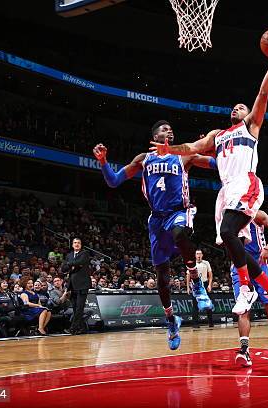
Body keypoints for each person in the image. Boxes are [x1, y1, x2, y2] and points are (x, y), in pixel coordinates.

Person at [149, 39, 268, 316]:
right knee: (229, 242)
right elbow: (193, 149)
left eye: (241, 107)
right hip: (225, 192)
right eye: (234, 107)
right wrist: (169, 149)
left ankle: (247, 288)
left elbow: (264, 93)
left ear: (249, 114)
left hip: (246, 183)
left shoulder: (251, 127)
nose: (236, 109)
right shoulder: (218, 135)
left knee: (227, 232)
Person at [93, 120, 215, 350]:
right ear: (154, 135)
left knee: (180, 233)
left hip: (179, 211)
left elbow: (215, 165)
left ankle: (196, 282)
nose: (169, 130)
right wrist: (103, 163)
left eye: (171, 128)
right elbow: (114, 181)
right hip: (156, 219)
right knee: (162, 277)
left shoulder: (184, 155)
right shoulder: (143, 159)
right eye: (164, 128)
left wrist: (213, 148)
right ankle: (171, 320)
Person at [231, 210, 268, 367]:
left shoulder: (256, 214)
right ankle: (244, 350)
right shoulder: (229, 218)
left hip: (260, 267)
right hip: (240, 268)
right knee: (243, 309)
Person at [61, 238, 91, 335]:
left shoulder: (84, 253)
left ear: (81, 244)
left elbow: (80, 262)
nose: (76, 244)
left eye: (78, 243)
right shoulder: (69, 255)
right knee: (75, 308)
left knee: (79, 308)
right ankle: (82, 328)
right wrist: (72, 265)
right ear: (72, 245)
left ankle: (73, 329)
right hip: (72, 285)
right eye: (75, 243)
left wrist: (70, 264)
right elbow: (63, 268)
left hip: (82, 284)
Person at [188, 249, 214, 327]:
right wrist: (188, 288)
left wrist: (209, 285)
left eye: (200, 254)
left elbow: (210, 274)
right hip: (196, 285)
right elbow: (188, 275)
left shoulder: (206, 263)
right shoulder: (192, 264)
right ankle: (195, 324)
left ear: (202, 255)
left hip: (205, 283)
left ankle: (211, 322)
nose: (198, 255)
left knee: (208, 304)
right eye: (197, 254)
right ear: (195, 255)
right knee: (195, 305)